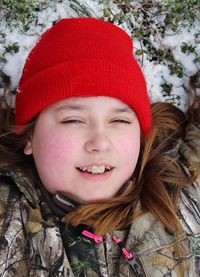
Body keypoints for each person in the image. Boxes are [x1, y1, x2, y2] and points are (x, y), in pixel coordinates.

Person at [0, 17, 199, 277]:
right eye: (73, 120)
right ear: (29, 137)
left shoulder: (181, 188)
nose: (100, 142)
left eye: (119, 120)